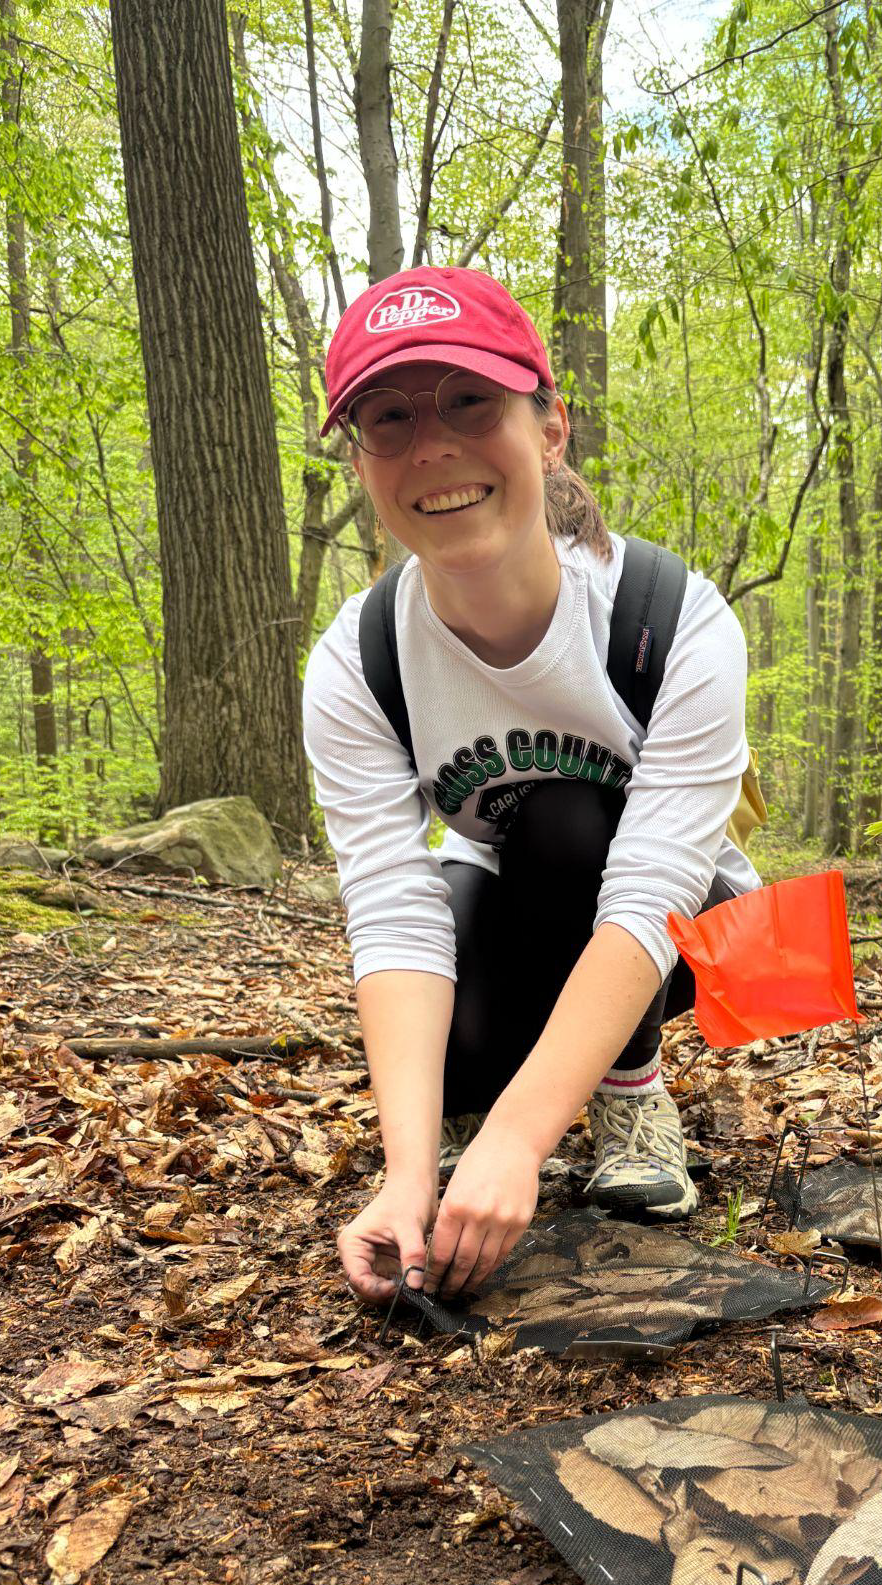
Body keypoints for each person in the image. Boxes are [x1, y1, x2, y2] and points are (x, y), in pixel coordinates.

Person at [303, 266, 757, 1309]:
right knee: (454, 1009)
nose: (433, 448)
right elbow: (391, 903)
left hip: (678, 931)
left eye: (470, 401)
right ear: (363, 459)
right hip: (506, 913)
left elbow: (651, 890)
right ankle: (484, 1122)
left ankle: (631, 1093)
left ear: (550, 425)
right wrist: (409, 1177)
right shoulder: (358, 659)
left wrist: (516, 1140)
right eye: (389, 418)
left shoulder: (670, 618)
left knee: (560, 816)